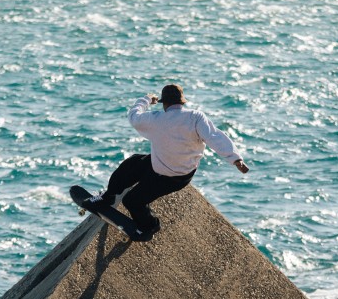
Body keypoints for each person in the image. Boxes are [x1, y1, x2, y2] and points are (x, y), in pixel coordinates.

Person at [83, 84, 249, 240]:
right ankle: (108, 197)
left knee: (132, 200)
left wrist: (146, 99)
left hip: (167, 177)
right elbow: (215, 137)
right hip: (183, 173)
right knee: (134, 162)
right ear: (181, 102)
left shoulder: (156, 119)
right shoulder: (195, 117)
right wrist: (236, 159)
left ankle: (149, 226)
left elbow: (134, 117)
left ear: (164, 103)